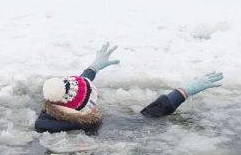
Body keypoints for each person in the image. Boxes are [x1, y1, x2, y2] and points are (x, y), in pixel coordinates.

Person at [35, 43, 224, 133]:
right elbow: (146, 116)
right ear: (83, 111)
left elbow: (73, 93)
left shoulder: (48, 114)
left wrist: (92, 69)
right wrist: (181, 93)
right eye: (93, 103)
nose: (96, 105)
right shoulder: (88, 127)